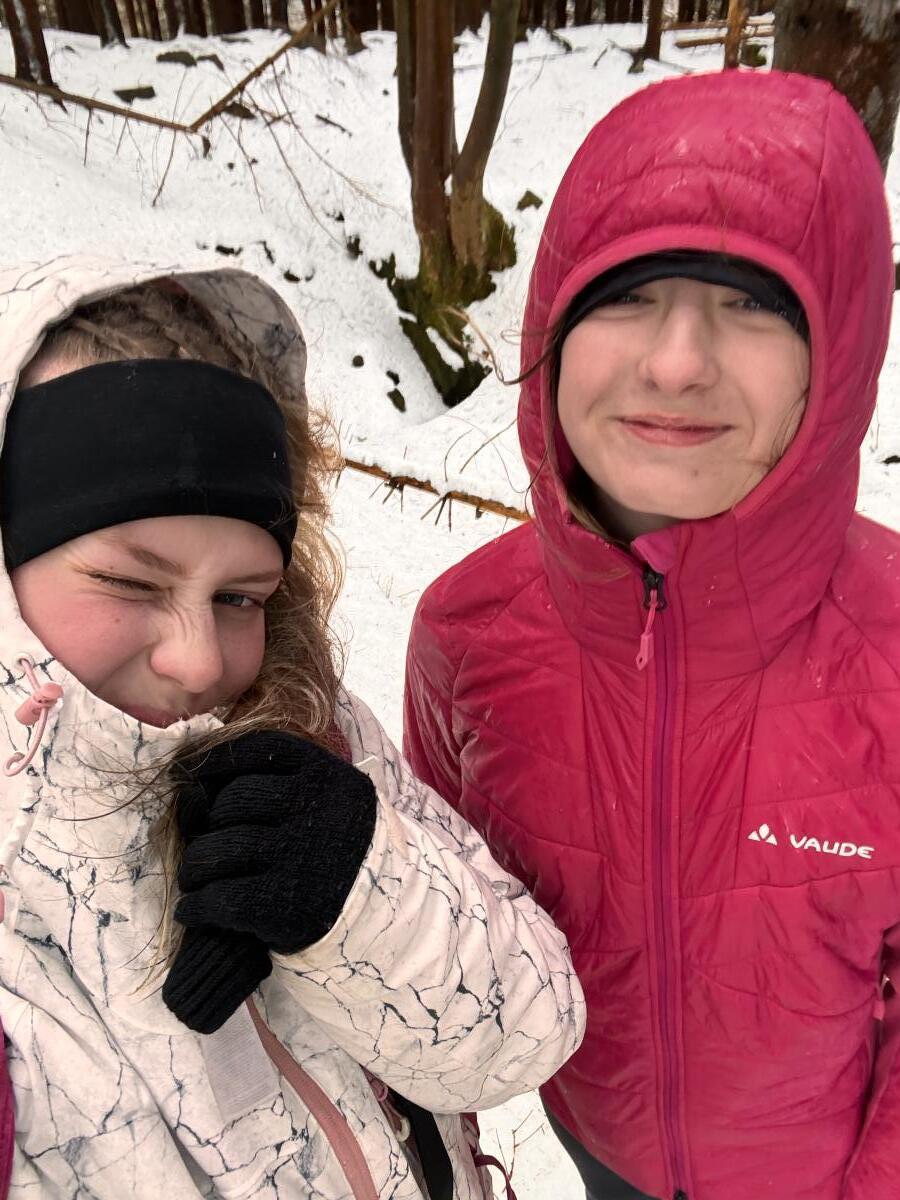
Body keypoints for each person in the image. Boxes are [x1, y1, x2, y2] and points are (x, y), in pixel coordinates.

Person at [404, 69, 900, 1200]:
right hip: (600, 1149)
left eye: (753, 304)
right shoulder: (466, 634)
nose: (677, 363)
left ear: (840, 353)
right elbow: (448, 924)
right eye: (627, 296)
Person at [0, 258, 585, 1199]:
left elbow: (532, 1027)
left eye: (241, 595)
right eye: (130, 582)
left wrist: (357, 896)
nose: (199, 661)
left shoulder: (307, 725)